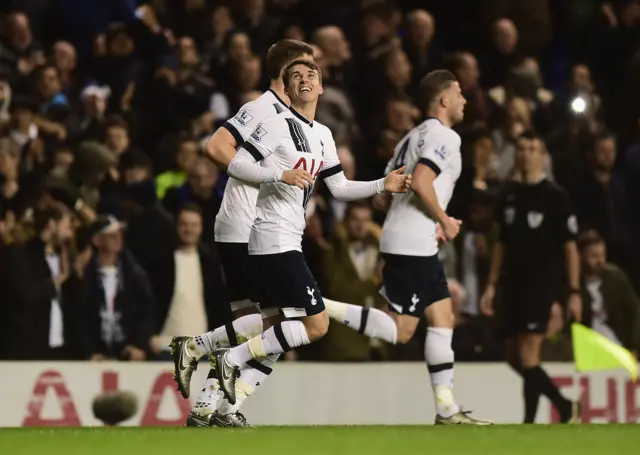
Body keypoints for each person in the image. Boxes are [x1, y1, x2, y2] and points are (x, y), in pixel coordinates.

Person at [211, 59, 410, 406]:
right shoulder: (274, 125)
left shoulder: (323, 134)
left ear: (321, 88)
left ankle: (224, 399)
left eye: (311, 75)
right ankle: (230, 359)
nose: (305, 80)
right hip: (270, 237)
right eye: (296, 77)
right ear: (286, 90)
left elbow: (339, 187)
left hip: (290, 239)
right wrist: (277, 175)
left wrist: (383, 184)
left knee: (280, 329)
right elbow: (234, 163)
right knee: (315, 325)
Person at [321, 70, 491, 425]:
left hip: (411, 239)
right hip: (413, 243)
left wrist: (429, 219)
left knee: (443, 318)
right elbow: (424, 181)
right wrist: (443, 219)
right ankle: (322, 306)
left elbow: (385, 197)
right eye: (459, 93)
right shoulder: (445, 137)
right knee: (401, 331)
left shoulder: (408, 139)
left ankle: (447, 409)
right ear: (443, 100)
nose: (464, 100)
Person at [479, 131, 582, 424]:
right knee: (513, 355)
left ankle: (529, 424)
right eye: (521, 148)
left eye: (532, 148)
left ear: (542, 155)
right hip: (513, 284)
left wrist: (573, 291)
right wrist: (491, 285)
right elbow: (501, 244)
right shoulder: (508, 195)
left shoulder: (555, 196)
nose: (526, 154)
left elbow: (570, 248)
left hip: (542, 285)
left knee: (528, 354)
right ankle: (564, 405)